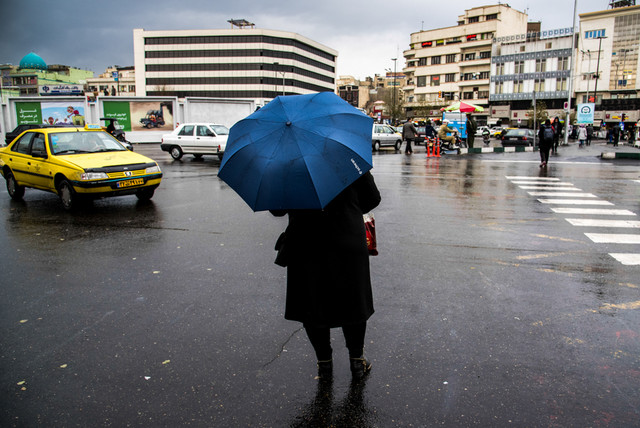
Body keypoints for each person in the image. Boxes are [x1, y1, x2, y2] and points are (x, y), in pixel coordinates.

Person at [271, 171, 381, 380]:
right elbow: (372, 198)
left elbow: (277, 209)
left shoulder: (288, 165)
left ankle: (324, 365)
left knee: (312, 304)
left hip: (305, 242)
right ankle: (357, 362)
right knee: (352, 301)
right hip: (347, 236)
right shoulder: (345, 158)